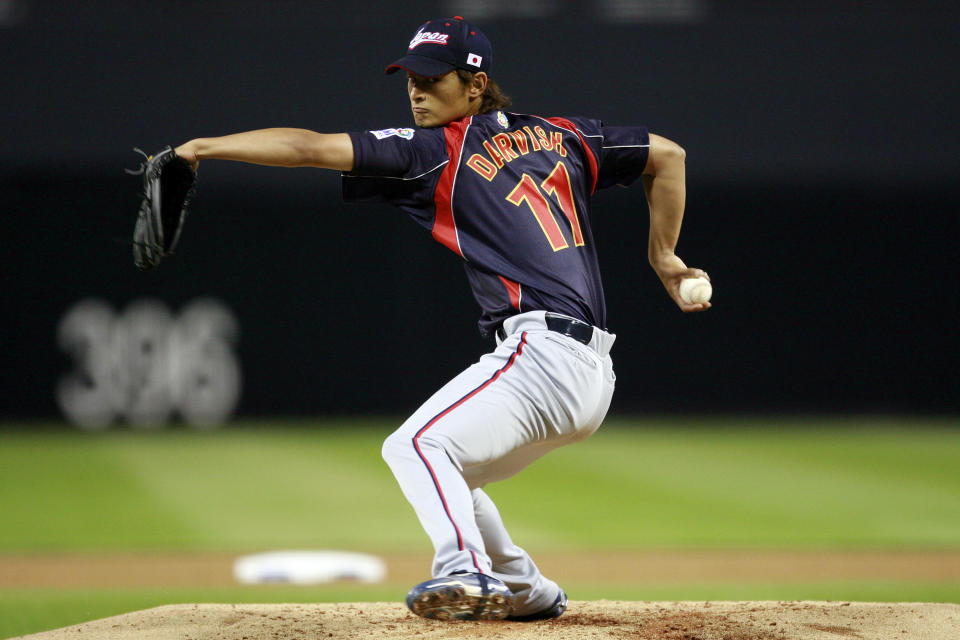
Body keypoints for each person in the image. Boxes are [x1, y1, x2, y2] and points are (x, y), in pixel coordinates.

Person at [174, 16, 710, 622]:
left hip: (543, 355)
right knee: (454, 471)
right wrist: (665, 257)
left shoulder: (435, 151)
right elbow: (667, 155)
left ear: (476, 84)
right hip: (589, 373)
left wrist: (202, 147)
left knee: (416, 446)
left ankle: (467, 571)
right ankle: (525, 590)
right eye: (411, 78)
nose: (416, 91)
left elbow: (307, 148)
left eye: (433, 78)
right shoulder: (564, 136)